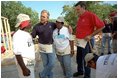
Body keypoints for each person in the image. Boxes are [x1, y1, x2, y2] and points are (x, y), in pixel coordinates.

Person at [73, 1, 104, 78]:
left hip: (87, 42)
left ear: (83, 8)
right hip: (79, 42)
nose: (77, 12)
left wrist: (90, 35)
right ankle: (80, 71)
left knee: (87, 59)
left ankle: (87, 76)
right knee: (79, 59)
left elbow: (102, 26)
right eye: (76, 10)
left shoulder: (91, 15)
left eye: (78, 9)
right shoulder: (80, 17)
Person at [31, 10, 56, 78]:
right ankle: (50, 76)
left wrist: (68, 26)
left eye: (44, 17)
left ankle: (42, 74)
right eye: (41, 16)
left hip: (50, 47)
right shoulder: (36, 26)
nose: (42, 18)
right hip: (42, 47)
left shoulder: (52, 24)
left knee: (52, 63)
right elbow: (32, 35)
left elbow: (60, 25)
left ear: (47, 18)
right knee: (45, 64)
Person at [13, 13, 35, 78]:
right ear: (24, 23)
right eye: (29, 22)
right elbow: (17, 53)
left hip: (30, 63)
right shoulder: (17, 35)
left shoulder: (27, 34)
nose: (31, 23)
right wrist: (24, 68)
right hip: (25, 64)